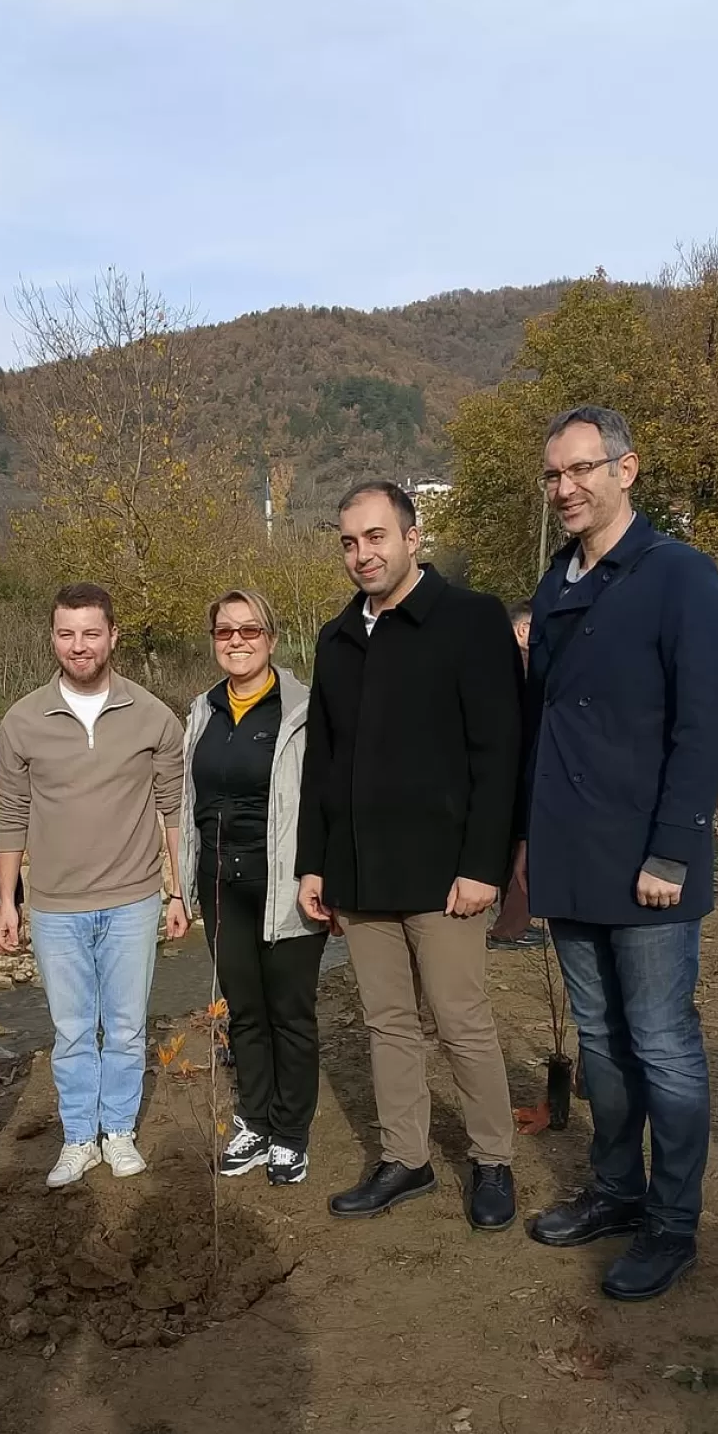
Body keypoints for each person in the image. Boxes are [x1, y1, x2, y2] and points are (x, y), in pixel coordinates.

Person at [520, 406, 718, 1301]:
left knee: (662, 1042)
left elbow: (707, 723)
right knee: (603, 1043)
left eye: (582, 470)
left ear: (626, 470)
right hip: (573, 857)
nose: (565, 488)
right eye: (554, 475)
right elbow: (546, 722)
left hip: (650, 862)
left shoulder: (677, 575)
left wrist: (672, 852)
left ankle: (672, 1224)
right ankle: (616, 1189)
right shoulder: (555, 583)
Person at [296, 480, 523, 1230]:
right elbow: (322, 765)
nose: (362, 554)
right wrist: (315, 865)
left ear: (412, 537)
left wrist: (485, 864)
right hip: (360, 874)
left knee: (461, 1022)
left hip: (446, 873)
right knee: (387, 1024)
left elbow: (499, 754)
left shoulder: (470, 621)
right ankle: (407, 1158)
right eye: (350, 542)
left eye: (376, 537)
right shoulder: (335, 640)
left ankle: (493, 1160)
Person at [0, 583, 187, 1188]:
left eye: (91, 632)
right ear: (53, 637)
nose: (79, 645)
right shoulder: (24, 720)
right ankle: (79, 1137)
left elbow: (174, 808)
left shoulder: (153, 715)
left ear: (112, 637)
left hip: (133, 899)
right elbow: (9, 813)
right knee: (73, 1030)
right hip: (54, 906)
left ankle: (119, 1131)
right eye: (67, 633)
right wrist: (7, 902)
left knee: (126, 1027)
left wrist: (178, 893)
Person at [179, 588, 328, 1185]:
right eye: (224, 632)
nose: (236, 641)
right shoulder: (203, 710)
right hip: (222, 885)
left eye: (249, 630)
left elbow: (324, 801)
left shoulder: (303, 710)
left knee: (290, 1011)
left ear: (271, 637)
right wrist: (181, 884)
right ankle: (255, 1122)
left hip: (287, 883)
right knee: (243, 1011)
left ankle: (290, 1132)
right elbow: (189, 802)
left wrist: (322, 874)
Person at [489, 599, 543, 952]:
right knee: (527, 845)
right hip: (518, 771)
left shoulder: (484, 659)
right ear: (523, 629)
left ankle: (509, 923)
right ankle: (511, 927)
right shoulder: (520, 665)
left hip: (495, 775)